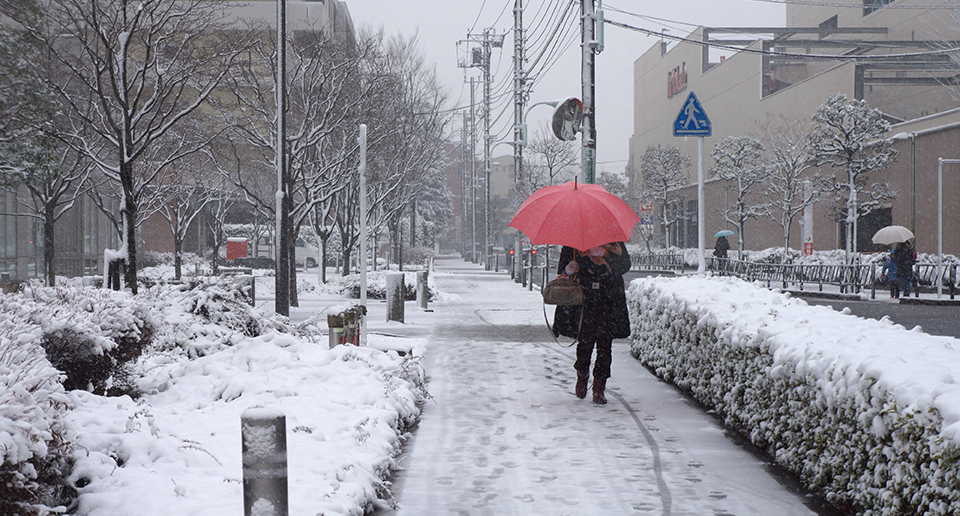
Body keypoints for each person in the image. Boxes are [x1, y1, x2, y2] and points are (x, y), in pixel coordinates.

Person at [554, 242, 631, 404]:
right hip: (584, 299)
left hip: (609, 300)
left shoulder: (613, 241)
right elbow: (562, 270)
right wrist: (569, 269)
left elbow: (624, 265)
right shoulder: (574, 242)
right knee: (584, 342)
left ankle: (599, 388)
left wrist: (606, 255)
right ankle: (582, 376)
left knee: (605, 345)